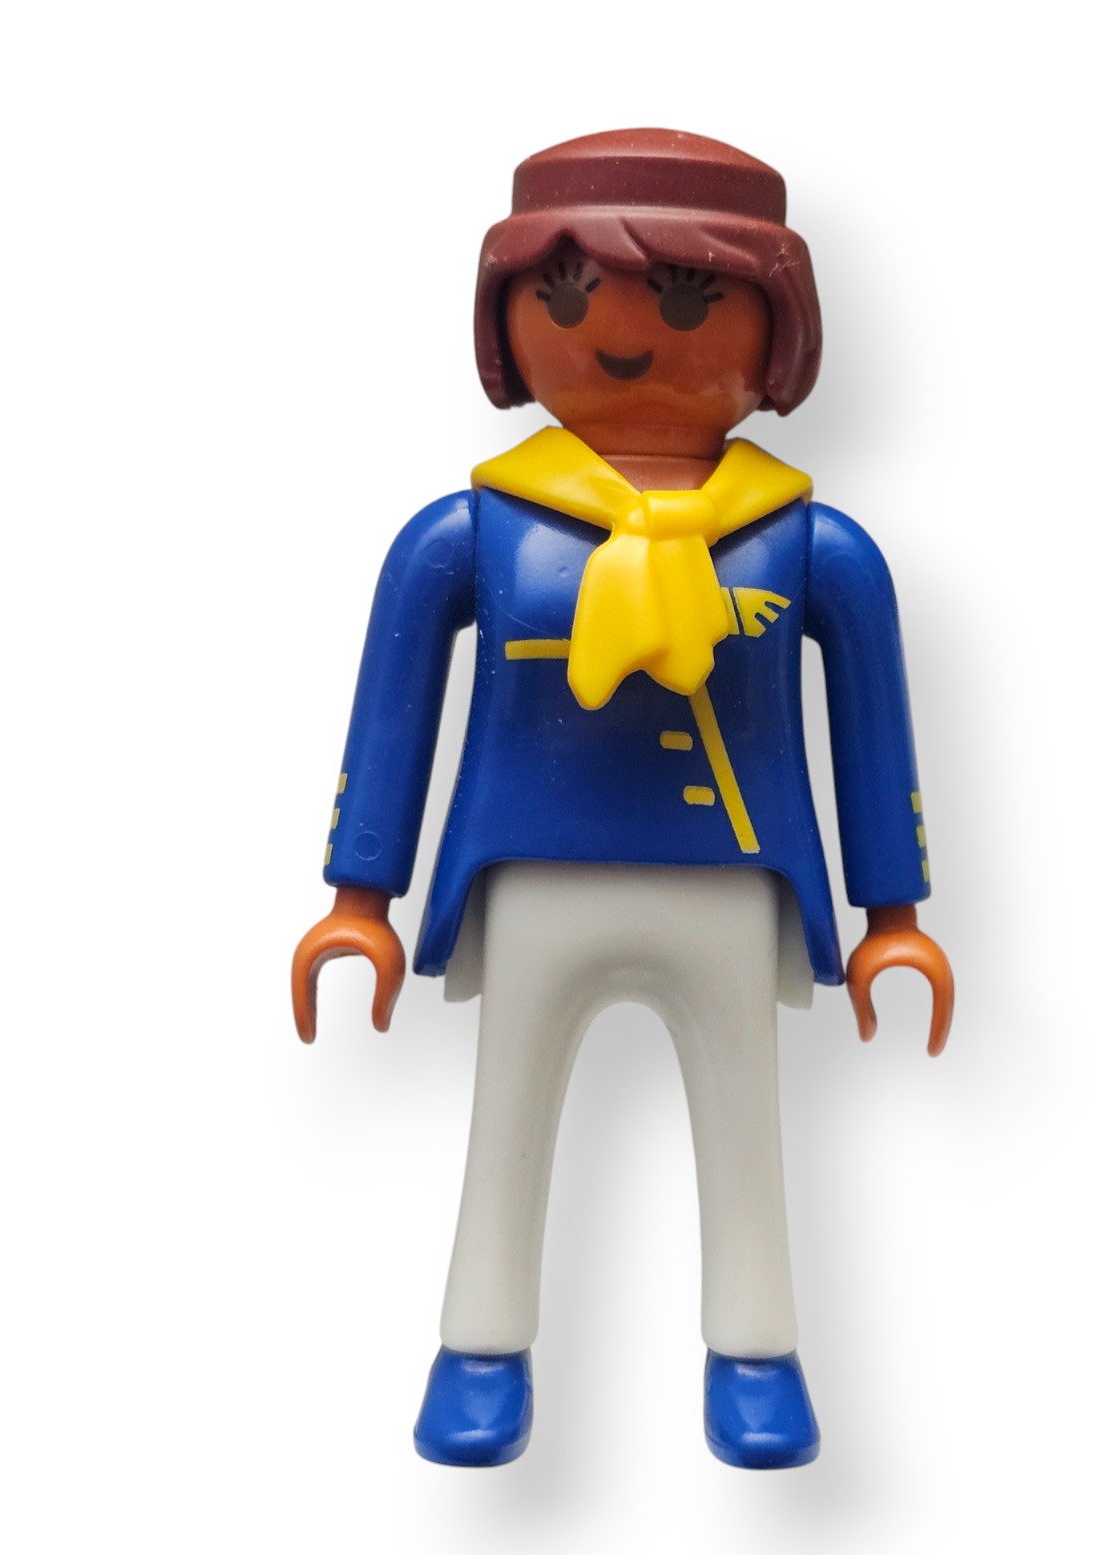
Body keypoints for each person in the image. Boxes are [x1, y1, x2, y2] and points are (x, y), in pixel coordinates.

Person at [291, 128, 954, 1469]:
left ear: (777, 332)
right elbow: (394, 705)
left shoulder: (808, 545)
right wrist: (360, 896)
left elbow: (873, 731)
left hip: (734, 879)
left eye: (693, 301)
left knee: (746, 1126)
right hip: (530, 870)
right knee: (508, 1112)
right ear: (507, 321)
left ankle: (756, 1352)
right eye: (568, 294)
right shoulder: (475, 533)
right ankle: (481, 1347)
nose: (624, 332)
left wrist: (895, 915)